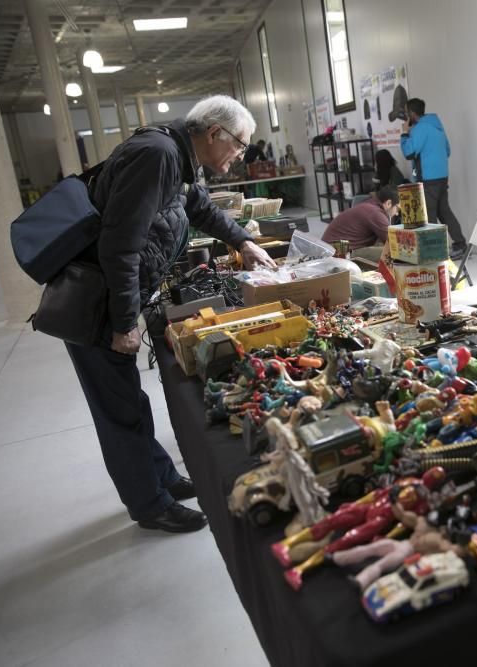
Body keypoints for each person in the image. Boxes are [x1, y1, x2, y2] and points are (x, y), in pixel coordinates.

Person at [68, 95, 276, 534]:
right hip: (96, 307)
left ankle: (161, 477)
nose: (240, 157)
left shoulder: (177, 155)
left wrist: (243, 242)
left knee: (131, 400)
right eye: (239, 146)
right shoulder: (158, 155)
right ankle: (149, 504)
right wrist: (125, 322)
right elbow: (120, 246)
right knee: (118, 409)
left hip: (114, 298)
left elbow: (198, 207)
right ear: (214, 133)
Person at [400, 98, 467, 258]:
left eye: (406, 112)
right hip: (442, 177)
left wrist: (404, 133)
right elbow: (447, 151)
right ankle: (460, 245)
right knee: (444, 211)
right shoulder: (437, 125)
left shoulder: (419, 129)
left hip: (428, 179)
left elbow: (409, 152)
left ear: (412, 114)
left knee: (429, 216)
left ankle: (436, 252)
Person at [322, 186, 399, 256]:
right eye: (397, 208)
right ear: (388, 203)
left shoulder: (370, 204)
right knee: (394, 252)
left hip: (331, 249)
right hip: (338, 254)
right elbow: (392, 242)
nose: (397, 213)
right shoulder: (374, 213)